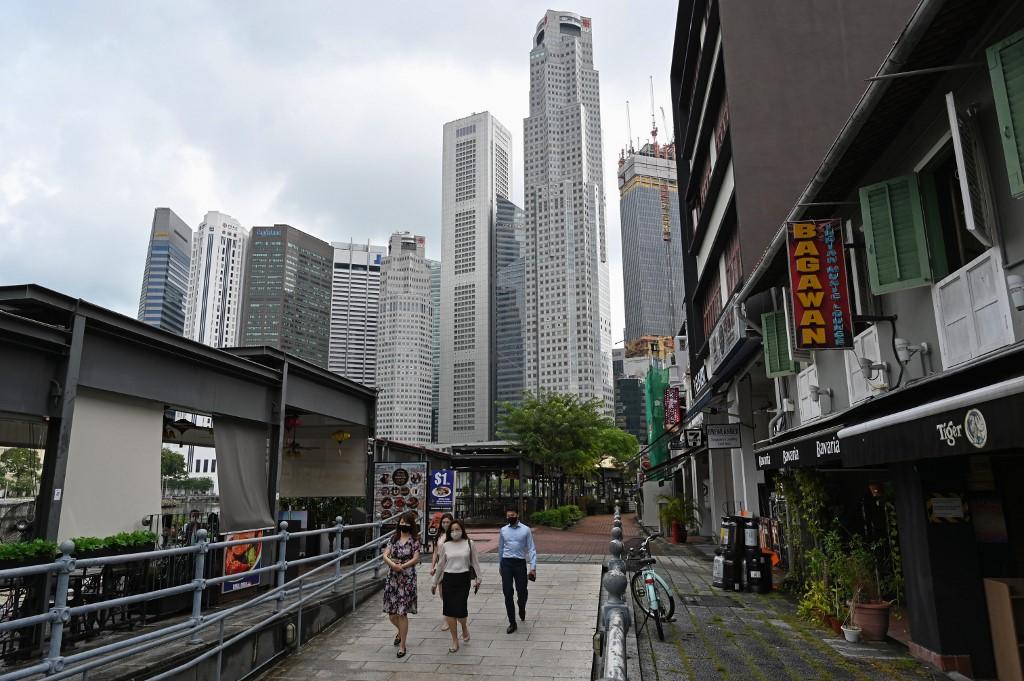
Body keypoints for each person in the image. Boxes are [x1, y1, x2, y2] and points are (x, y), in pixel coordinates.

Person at [431, 519, 482, 653]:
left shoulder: (469, 544)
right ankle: (454, 640)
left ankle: (464, 627)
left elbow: (475, 562)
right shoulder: (446, 545)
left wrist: (479, 578)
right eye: (452, 530)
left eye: (457, 529)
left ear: (462, 530)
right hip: (448, 579)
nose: (455, 532)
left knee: (460, 611)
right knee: (449, 611)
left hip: (463, 579)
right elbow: (441, 565)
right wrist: (434, 582)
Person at [382, 515, 421, 658]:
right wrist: (393, 565)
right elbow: (385, 554)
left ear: (411, 525)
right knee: (392, 614)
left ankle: (403, 645)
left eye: (406, 522)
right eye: (401, 522)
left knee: (401, 612)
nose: (403, 524)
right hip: (392, 578)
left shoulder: (415, 540)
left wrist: (402, 566)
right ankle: (400, 631)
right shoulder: (393, 538)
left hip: (407, 578)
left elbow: (416, 558)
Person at [497, 508, 537, 634]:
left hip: (520, 563)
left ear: (517, 515)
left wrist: (533, 567)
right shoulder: (503, 530)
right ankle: (512, 622)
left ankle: (521, 606)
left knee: (522, 591)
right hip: (506, 563)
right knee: (507, 592)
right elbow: (501, 548)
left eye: (512, 515)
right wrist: (500, 565)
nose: (510, 517)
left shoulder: (526, 530)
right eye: (508, 516)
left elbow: (531, 549)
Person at [430, 512, 455, 631]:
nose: (445, 524)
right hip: (440, 565)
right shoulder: (439, 534)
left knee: (449, 593)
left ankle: (447, 619)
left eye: (447, 522)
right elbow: (435, 552)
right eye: (443, 522)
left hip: (451, 565)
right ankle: (449, 612)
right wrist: (432, 566)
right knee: (442, 594)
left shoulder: (455, 534)